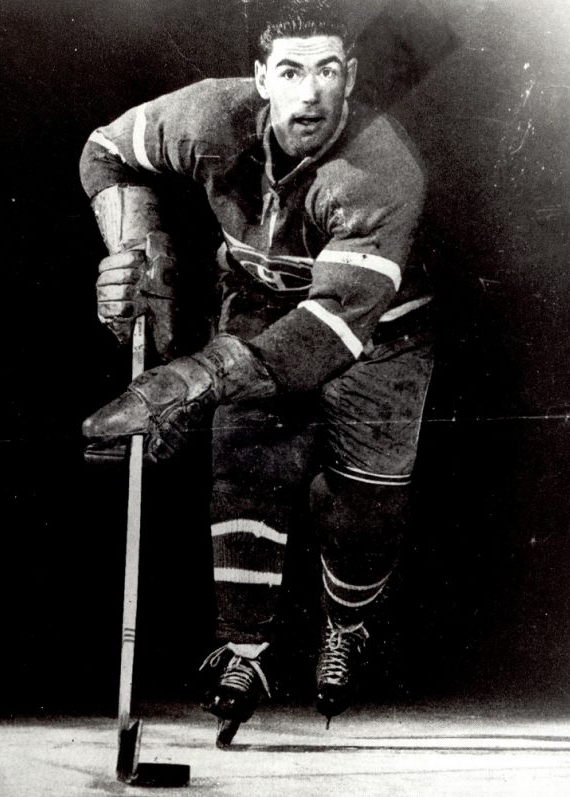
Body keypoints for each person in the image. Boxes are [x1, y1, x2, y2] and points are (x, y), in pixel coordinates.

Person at [80, 0, 434, 743]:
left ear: (352, 77)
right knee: (243, 471)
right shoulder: (210, 116)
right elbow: (104, 152)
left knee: (364, 508)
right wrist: (145, 256)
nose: (310, 93)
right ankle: (245, 653)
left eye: (328, 71)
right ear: (261, 79)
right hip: (257, 302)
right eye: (292, 72)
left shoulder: (382, 167)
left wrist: (184, 379)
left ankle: (346, 627)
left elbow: (327, 329)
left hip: (379, 335)